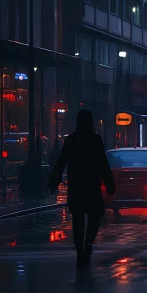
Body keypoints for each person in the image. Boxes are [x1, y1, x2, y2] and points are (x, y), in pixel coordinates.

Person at [48, 109, 116, 268]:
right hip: (92, 185)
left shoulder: (71, 140)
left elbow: (61, 162)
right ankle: (88, 244)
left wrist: (54, 179)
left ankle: (80, 251)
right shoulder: (96, 140)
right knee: (95, 216)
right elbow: (103, 163)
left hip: (77, 186)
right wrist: (109, 182)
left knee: (78, 220)